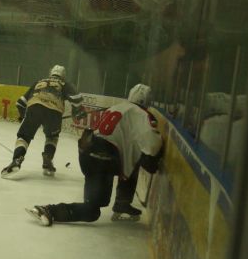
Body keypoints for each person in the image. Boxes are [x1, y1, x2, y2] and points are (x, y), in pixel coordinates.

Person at [26, 84, 163, 226]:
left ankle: (122, 203)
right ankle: (49, 210)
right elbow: (152, 145)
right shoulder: (142, 114)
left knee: (128, 163)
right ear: (148, 102)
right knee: (91, 211)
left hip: (88, 154)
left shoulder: (116, 107)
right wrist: (154, 160)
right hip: (104, 160)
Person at [1, 65, 83, 178]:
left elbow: (20, 103)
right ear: (63, 76)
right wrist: (77, 112)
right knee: (52, 137)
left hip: (34, 108)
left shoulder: (39, 82)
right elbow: (77, 99)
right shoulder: (64, 83)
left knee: (24, 137)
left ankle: (17, 160)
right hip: (54, 112)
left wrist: (23, 116)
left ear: (51, 73)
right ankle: (48, 158)